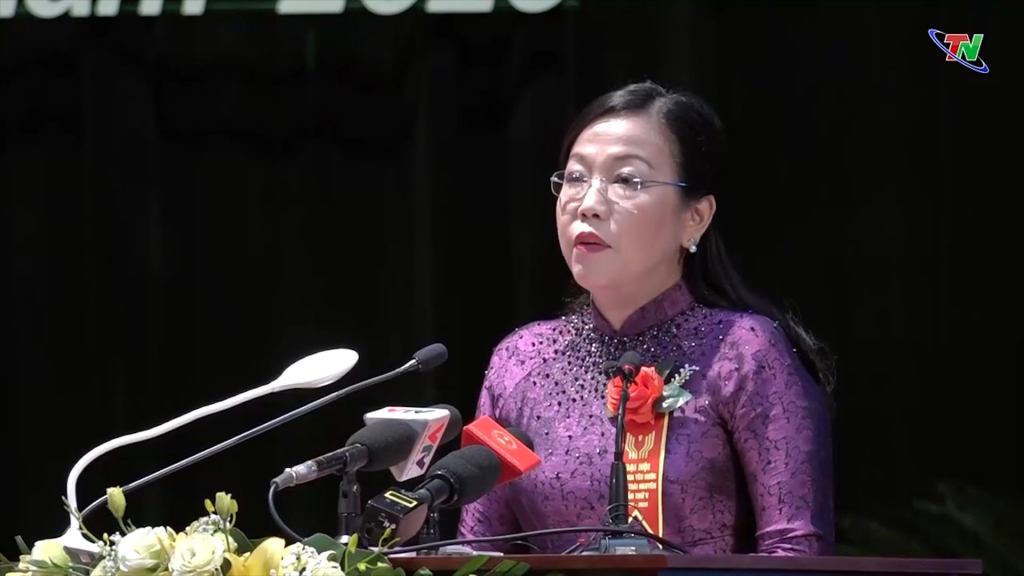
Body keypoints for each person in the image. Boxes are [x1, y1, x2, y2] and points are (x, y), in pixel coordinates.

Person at [456, 81, 835, 556]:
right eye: (575, 178)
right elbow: (478, 554)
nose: (588, 204)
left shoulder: (744, 351)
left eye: (626, 180)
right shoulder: (520, 359)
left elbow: (796, 552)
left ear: (695, 217)